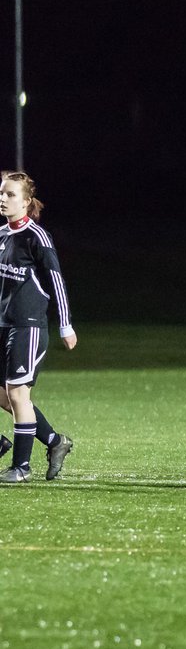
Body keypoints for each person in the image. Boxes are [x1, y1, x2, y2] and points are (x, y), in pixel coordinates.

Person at [0, 171, 77, 483]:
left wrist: (65, 325)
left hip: (28, 327)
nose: (3, 199)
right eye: (2, 194)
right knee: (7, 398)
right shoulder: (3, 235)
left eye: (10, 195)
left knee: (18, 394)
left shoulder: (37, 237)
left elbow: (56, 282)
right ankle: (56, 442)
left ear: (26, 202)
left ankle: (21, 467)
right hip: (4, 325)